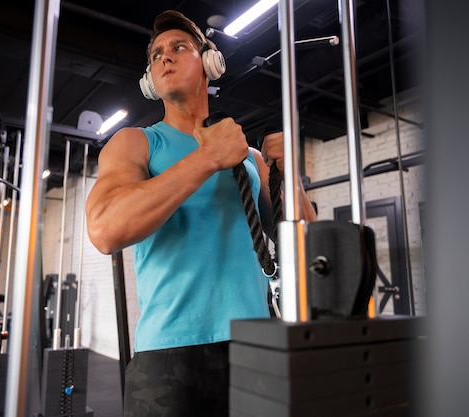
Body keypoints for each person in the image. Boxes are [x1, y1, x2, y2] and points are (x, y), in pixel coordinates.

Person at [85, 10, 317, 417]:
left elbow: (312, 252)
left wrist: (289, 176)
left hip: (255, 345)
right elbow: (104, 230)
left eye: (179, 48)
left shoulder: (250, 159)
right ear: (149, 80)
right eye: (156, 55)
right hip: (169, 352)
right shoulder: (136, 143)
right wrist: (206, 158)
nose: (165, 58)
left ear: (210, 64)